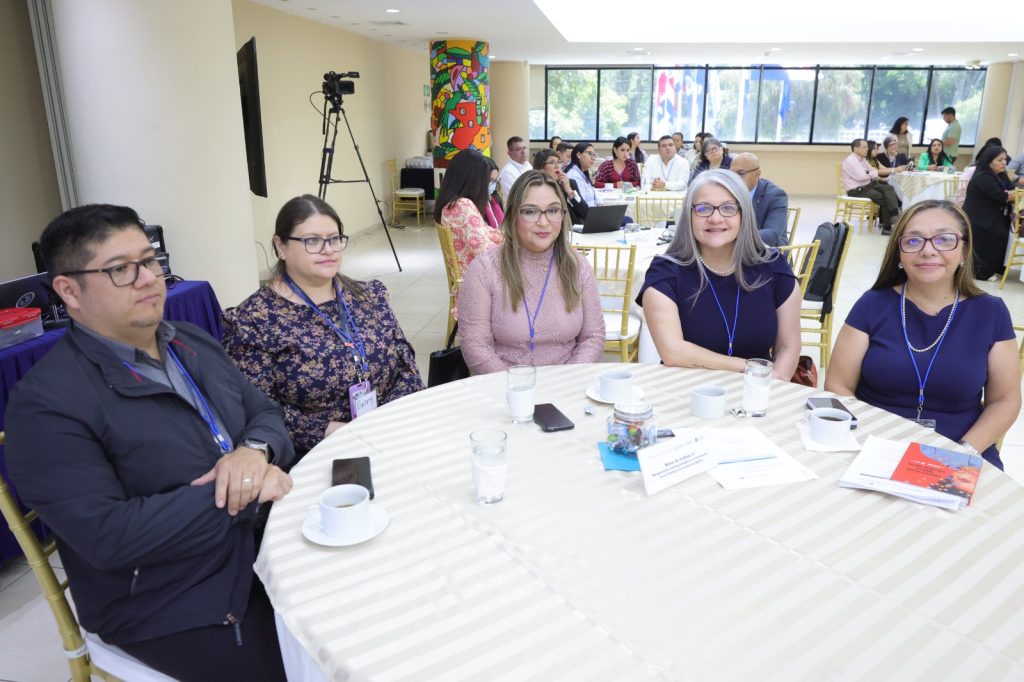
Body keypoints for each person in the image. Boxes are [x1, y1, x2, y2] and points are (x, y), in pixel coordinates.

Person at [5, 204, 295, 681]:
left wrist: (253, 452)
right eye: (121, 269)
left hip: (261, 543)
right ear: (69, 291)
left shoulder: (189, 340)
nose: (148, 279)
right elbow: (109, 536)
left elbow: (264, 413)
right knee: (313, 661)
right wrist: (243, 492)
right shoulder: (46, 404)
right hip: (169, 598)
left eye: (150, 260)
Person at [222, 195, 424, 456]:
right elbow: (258, 409)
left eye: (334, 239)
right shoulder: (254, 320)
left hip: (391, 431)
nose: (328, 249)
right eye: (312, 241)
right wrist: (333, 432)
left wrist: (390, 421)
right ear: (281, 246)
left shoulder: (369, 296)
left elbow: (406, 366)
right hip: (317, 451)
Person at [825, 200, 1020, 468]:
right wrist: (870, 440)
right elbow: (838, 385)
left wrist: (963, 452)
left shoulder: (991, 312)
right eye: (914, 241)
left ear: (964, 251)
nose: (928, 250)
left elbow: (1005, 401)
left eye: (944, 239)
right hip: (874, 444)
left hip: (961, 450)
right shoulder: (872, 304)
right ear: (899, 254)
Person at [638, 169, 802, 380]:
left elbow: (789, 346)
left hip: (757, 391)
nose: (715, 218)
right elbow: (673, 352)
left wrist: (772, 385)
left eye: (728, 208)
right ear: (689, 215)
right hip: (685, 390)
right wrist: (750, 369)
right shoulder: (665, 274)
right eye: (703, 208)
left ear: (744, 214)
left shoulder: (773, 267)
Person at [457, 170, 605, 374]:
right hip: (503, 384)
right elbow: (475, 345)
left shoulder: (578, 267)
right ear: (513, 215)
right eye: (530, 211)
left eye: (553, 210)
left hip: (566, 382)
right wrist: (518, 385)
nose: (544, 222)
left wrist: (567, 380)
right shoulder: (484, 270)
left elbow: (593, 337)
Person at [433, 149, 503, 272]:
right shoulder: (463, 206)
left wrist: (506, 238)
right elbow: (484, 251)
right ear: (473, 180)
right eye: (486, 180)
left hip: (469, 272)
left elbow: (485, 231)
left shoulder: (452, 203)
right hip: (475, 276)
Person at [962, 145, 1016, 281]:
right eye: (1000, 160)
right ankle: (980, 272)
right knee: (996, 234)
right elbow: (1002, 196)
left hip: (994, 214)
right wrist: (1012, 195)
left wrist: (1012, 194)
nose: (1004, 162)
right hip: (979, 217)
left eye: (1005, 159)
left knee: (1003, 232)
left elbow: (1011, 190)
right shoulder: (983, 176)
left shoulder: (1000, 175)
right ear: (989, 161)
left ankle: (995, 268)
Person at [842, 138, 901, 233]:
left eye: (867, 147)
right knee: (885, 198)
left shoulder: (862, 159)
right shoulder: (851, 161)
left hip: (868, 185)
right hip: (857, 190)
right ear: (855, 148)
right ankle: (887, 227)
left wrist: (870, 173)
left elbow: (872, 170)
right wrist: (871, 173)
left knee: (889, 188)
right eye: (864, 147)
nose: (867, 149)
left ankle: (894, 215)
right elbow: (862, 177)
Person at [730, 152, 790, 247]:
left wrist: (732, 237)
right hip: (733, 249)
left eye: (741, 173)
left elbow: (771, 234)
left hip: (769, 251)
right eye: (731, 174)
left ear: (757, 174)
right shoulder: (728, 191)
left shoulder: (776, 195)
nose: (734, 179)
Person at [534, 148, 588, 224]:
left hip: (574, 227)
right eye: (552, 163)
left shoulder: (570, 183)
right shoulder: (536, 188)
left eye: (559, 162)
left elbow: (585, 213)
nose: (557, 166)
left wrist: (569, 192)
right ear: (541, 168)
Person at [565, 142, 598, 208]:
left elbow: (594, 196)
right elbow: (582, 205)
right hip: (587, 212)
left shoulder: (583, 173)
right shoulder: (573, 176)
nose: (593, 158)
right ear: (579, 155)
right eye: (589, 153)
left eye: (594, 155)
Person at [482, 155, 505, 228]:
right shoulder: (472, 206)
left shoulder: (494, 198)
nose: (493, 184)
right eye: (490, 180)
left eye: (495, 180)